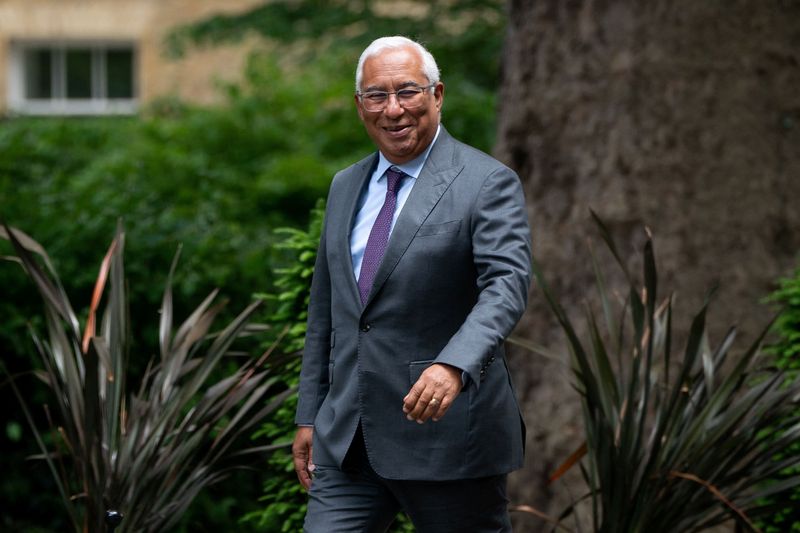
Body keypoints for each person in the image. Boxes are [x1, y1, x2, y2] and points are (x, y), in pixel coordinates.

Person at [292, 35, 531, 533]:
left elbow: (506, 285)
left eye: (408, 92)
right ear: (360, 106)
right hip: (348, 439)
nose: (393, 109)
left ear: (437, 95)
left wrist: (454, 364)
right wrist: (310, 413)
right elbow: (326, 312)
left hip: (446, 436)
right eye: (376, 95)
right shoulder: (345, 185)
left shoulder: (485, 182)